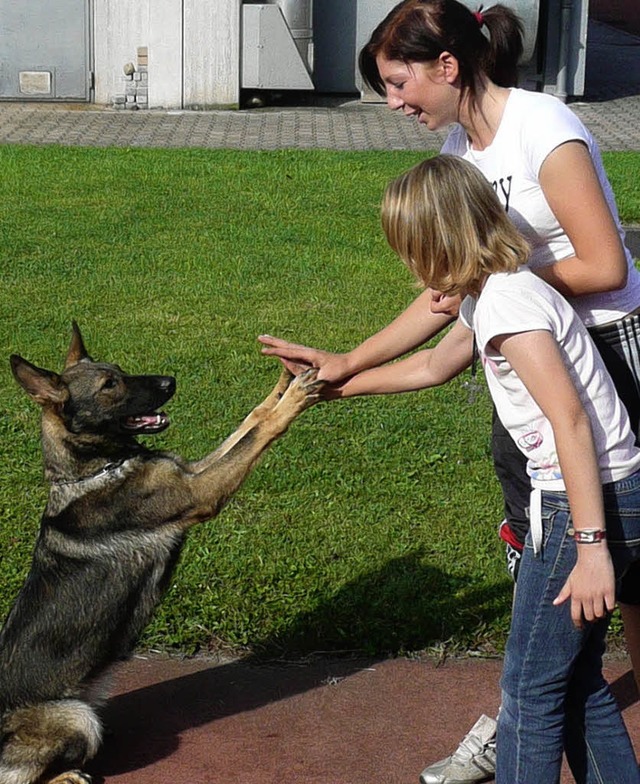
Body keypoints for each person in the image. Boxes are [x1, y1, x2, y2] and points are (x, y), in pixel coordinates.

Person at [261, 1, 640, 781]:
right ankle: (552, 682)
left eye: (399, 83)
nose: (394, 101)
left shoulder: (543, 129)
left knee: (601, 583)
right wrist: (346, 365)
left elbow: (601, 268)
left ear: (448, 66)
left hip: (602, 354)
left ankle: (533, 702)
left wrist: (496, 281)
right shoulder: (460, 160)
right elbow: (442, 327)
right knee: (558, 614)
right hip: (526, 357)